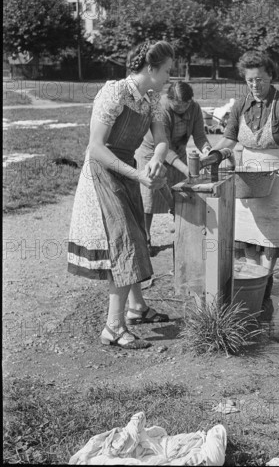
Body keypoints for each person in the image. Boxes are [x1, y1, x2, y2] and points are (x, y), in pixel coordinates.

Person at [67, 40, 175, 349]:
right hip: (102, 173)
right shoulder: (114, 92)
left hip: (127, 172)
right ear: (150, 69)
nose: (170, 76)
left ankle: (136, 307)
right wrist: (139, 175)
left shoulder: (151, 99)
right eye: (167, 71)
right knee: (124, 244)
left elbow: (161, 140)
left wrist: (154, 162)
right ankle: (113, 328)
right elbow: (97, 147)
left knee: (136, 238)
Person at [213, 51, 279, 312]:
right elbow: (230, 138)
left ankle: (262, 292)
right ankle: (254, 294)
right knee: (248, 239)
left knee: (270, 240)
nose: (255, 85)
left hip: (278, 173)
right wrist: (213, 153)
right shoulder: (241, 104)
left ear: (271, 76)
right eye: (250, 80)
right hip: (248, 177)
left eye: (260, 80)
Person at [135, 81, 212, 252]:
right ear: (169, 100)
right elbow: (164, 147)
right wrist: (186, 169)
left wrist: (207, 149)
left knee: (179, 195)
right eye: (177, 107)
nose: (182, 109)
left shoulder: (195, 108)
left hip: (178, 151)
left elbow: (199, 135)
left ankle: (183, 233)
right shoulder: (160, 109)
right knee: (149, 198)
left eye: (185, 106)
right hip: (152, 153)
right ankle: (145, 239)